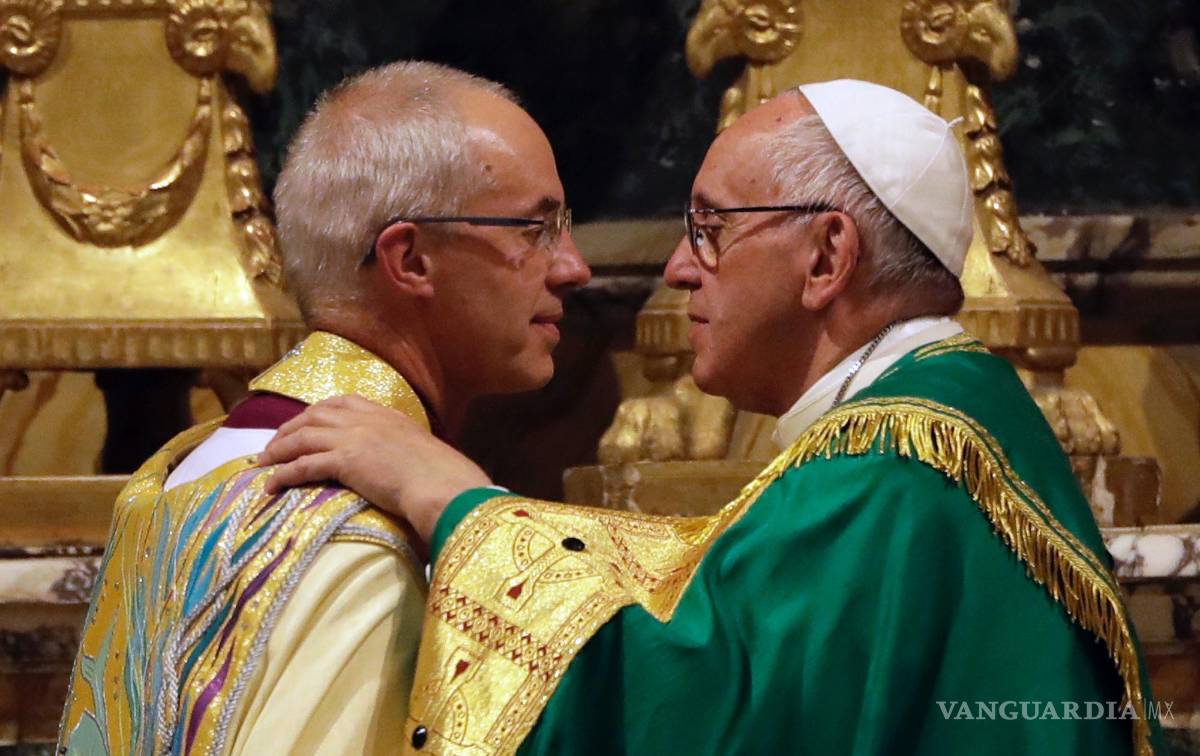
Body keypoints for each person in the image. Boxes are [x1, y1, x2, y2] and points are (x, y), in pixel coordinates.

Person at [259, 80, 1161, 755]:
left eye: (711, 227)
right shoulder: (943, 425)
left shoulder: (894, 468)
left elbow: (691, 708)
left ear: (826, 257)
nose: (679, 269)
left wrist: (455, 501)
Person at [58, 61, 590, 755]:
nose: (573, 266)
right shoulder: (359, 538)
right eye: (534, 229)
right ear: (411, 260)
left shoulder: (185, 469)